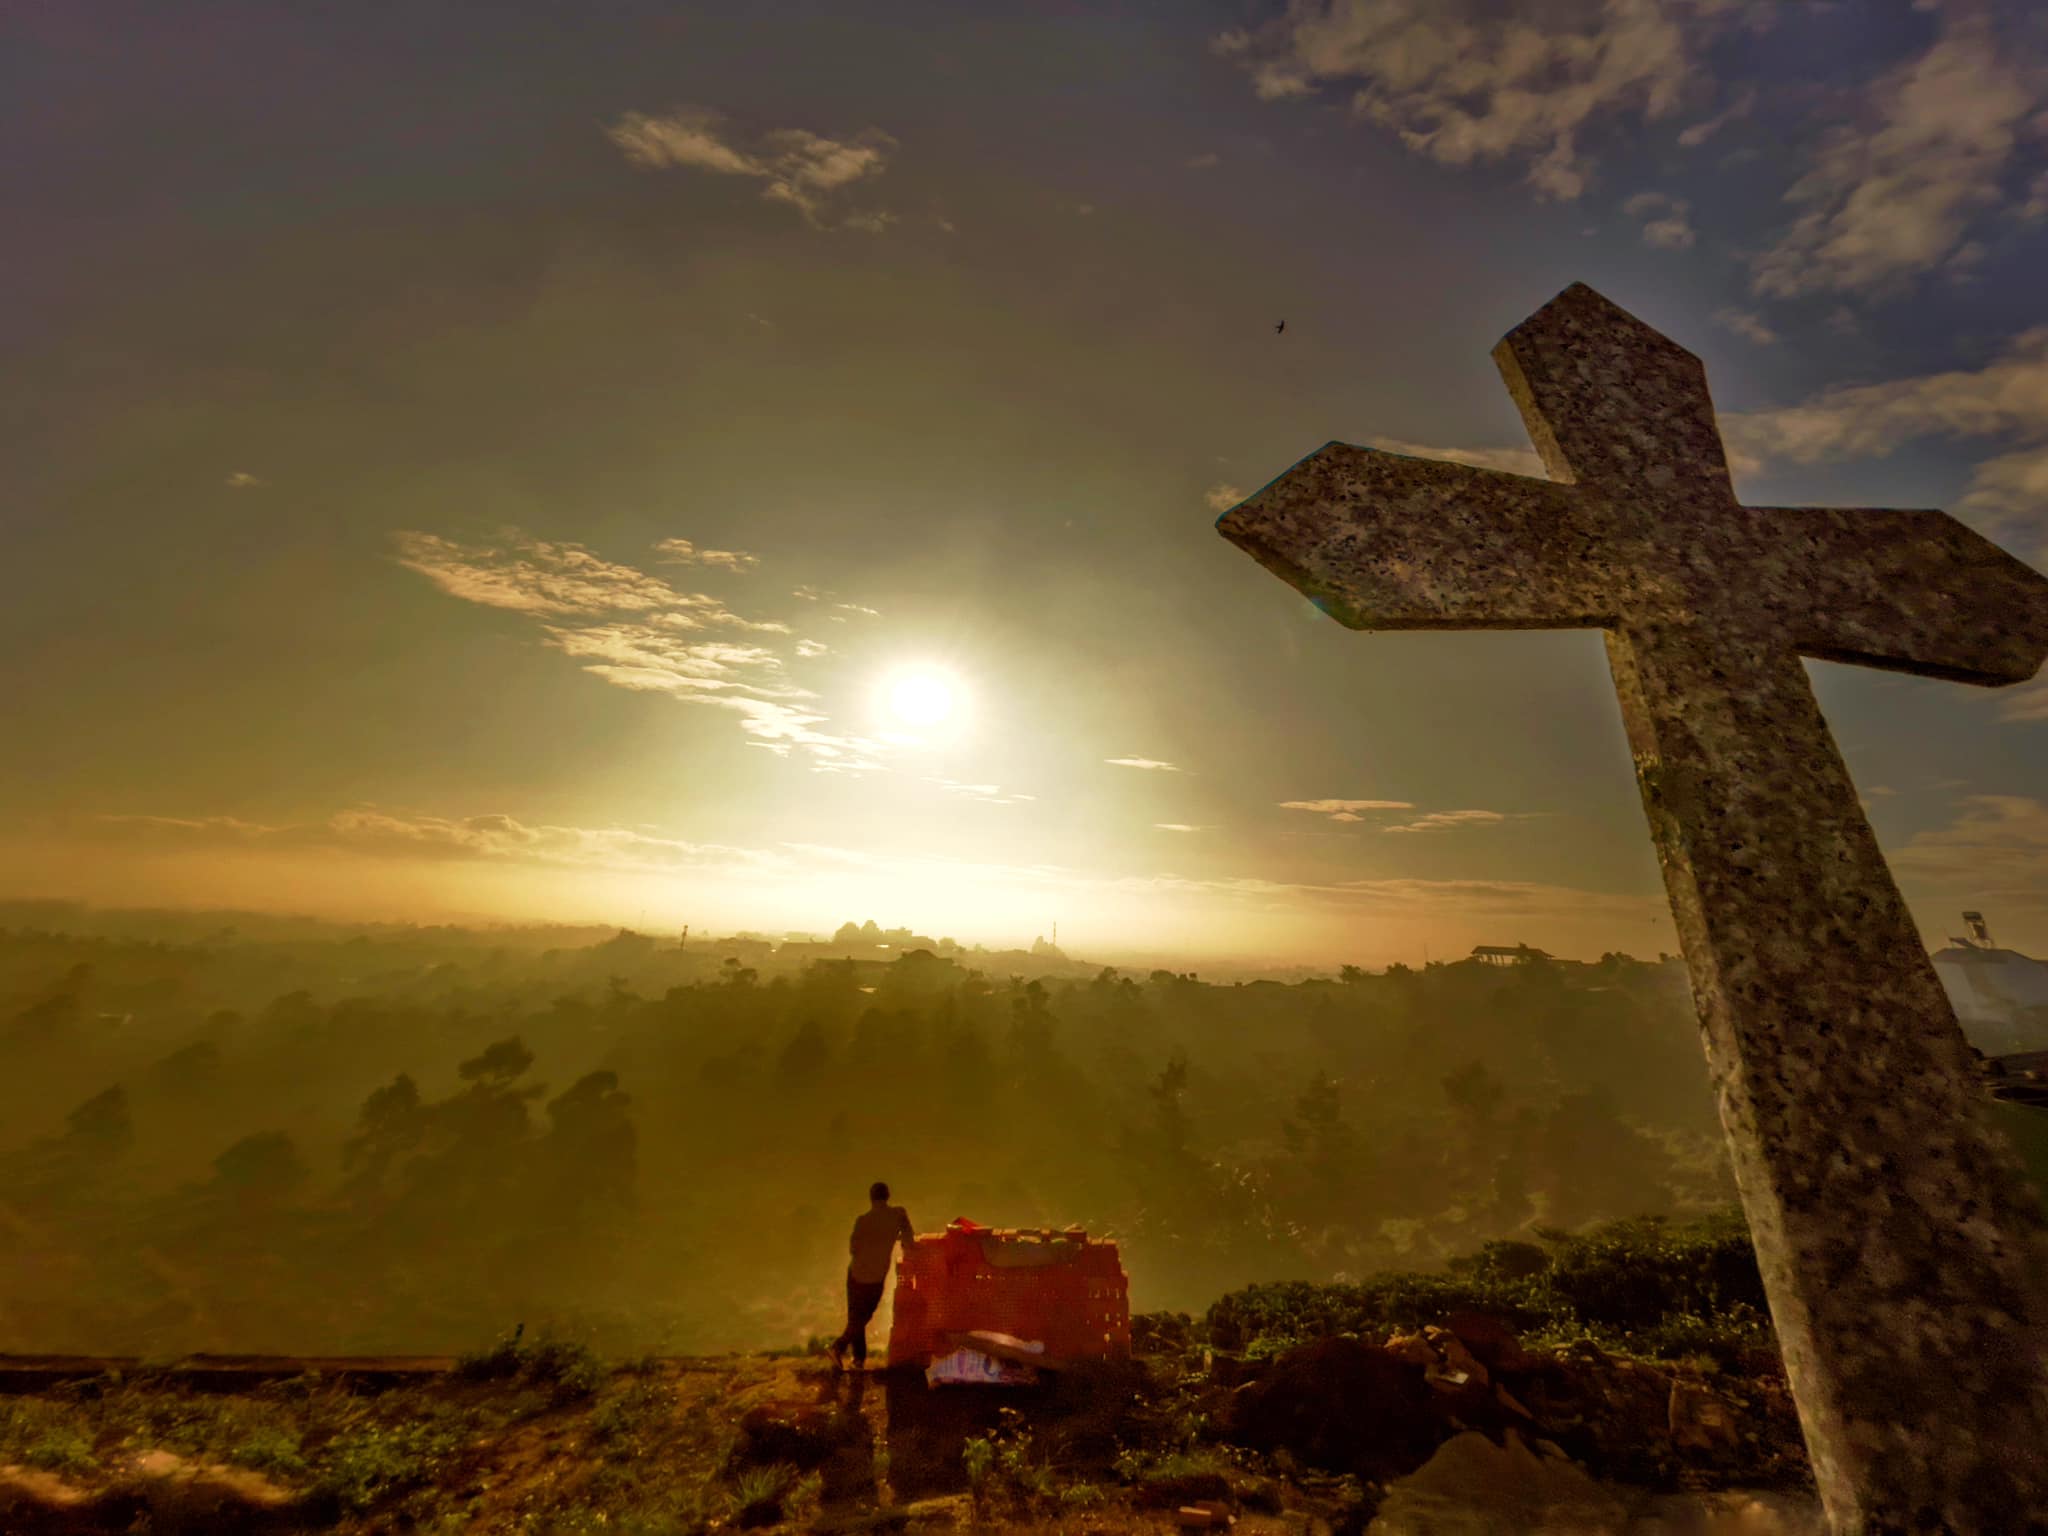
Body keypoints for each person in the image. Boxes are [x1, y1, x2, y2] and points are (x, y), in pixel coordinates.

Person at [831, 1180, 914, 1372]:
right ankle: (847, 1352)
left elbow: (853, 1249)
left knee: (856, 1316)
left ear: (871, 1198)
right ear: (887, 1196)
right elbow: (909, 1239)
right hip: (876, 1277)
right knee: (862, 1317)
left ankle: (851, 1355)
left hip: (856, 1274)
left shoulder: (862, 1220)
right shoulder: (897, 1215)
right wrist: (895, 1237)